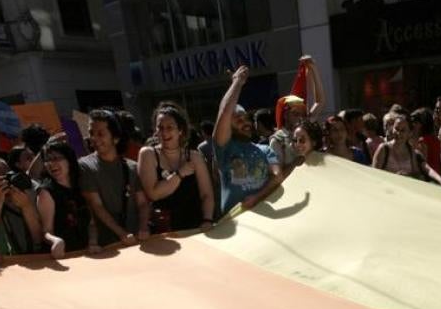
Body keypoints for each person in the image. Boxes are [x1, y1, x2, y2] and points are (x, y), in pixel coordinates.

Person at [213, 65, 284, 213]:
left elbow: (277, 177)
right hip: (234, 224)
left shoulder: (265, 150)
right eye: (237, 119)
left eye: (245, 118)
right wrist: (237, 82)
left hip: (263, 222)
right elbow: (225, 112)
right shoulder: (224, 147)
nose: (244, 122)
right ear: (228, 126)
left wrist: (257, 198)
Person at [138, 104, 214, 232]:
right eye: (160, 127)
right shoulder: (147, 154)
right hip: (164, 232)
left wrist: (207, 220)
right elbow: (154, 194)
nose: (164, 132)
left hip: (195, 227)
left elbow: (207, 194)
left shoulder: (195, 157)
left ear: (180, 130)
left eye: (170, 127)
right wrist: (180, 174)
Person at [79, 109, 148, 246]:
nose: (94, 138)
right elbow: (96, 206)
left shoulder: (133, 167)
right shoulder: (85, 166)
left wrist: (143, 227)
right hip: (107, 245)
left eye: (100, 134)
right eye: (91, 133)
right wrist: (122, 233)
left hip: (138, 241)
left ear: (115, 138)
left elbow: (142, 203)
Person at [0, 156, 44, 255]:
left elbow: (43, 230)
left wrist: (26, 205)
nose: (3, 183)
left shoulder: (31, 187)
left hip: (40, 251)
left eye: (5, 176)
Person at [36, 142, 93, 258]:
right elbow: (47, 231)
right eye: (47, 160)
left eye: (57, 158)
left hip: (88, 252)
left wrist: (93, 242)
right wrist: (56, 241)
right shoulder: (46, 192)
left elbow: (92, 223)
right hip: (65, 255)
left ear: (69, 160)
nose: (51, 163)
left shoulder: (81, 183)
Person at [269, 56, 327, 168]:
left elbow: (320, 101)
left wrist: (313, 68)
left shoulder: (305, 126)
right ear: (286, 115)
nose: (301, 117)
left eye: (303, 113)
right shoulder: (277, 140)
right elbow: (279, 171)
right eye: (296, 114)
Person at [371, 115, 441, 183]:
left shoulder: (411, 151)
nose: (398, 133)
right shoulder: (383, 149)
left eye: (403, 130)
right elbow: (373, 175)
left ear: (409, 133)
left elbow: (418, 175)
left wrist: (408, 176)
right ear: (392, 129)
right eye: (396, 129)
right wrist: (393, 177)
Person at [410, 108, 441, 174]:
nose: (412, 125)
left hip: (428, 177)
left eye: (414, 122)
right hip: (438, 174)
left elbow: (422, 165)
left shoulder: (422, 141)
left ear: (421, 124)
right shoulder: (436, 140)